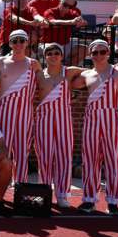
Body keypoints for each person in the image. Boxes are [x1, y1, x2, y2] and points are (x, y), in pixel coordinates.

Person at [72, 40, 118, 215]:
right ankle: (89, 200)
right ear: (90, 55)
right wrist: (78, 69)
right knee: (90, 161)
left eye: (102, 51)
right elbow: (69, 81)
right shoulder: (87, 75)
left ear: (108, 52)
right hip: (92, 120)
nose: (99, 55)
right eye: (95, 52)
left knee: (114, 161)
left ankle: (114, 202)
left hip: (113, 119)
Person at [33, 43, 83, 209]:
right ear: (45, 56)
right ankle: (44, 194)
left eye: (56, 53)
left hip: (63, 120)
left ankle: (62, 195)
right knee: (44, 158)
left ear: (61, 56)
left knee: (64, 157)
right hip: (43, 119)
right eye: (49, 53)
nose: (53, 55)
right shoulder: (39, 75)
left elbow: (96, 71)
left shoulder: (69, 72)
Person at [0, 29, 41, 184]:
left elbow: (46, 81)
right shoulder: (0, 62)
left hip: (25, 112)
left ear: (27, 42)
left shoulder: (33, 64)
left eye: (22, 40)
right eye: (15, 41)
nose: (18, 44)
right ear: (10, 43)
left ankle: (20, 182)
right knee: (0, 149)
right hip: (4, 111)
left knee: (22, 149)